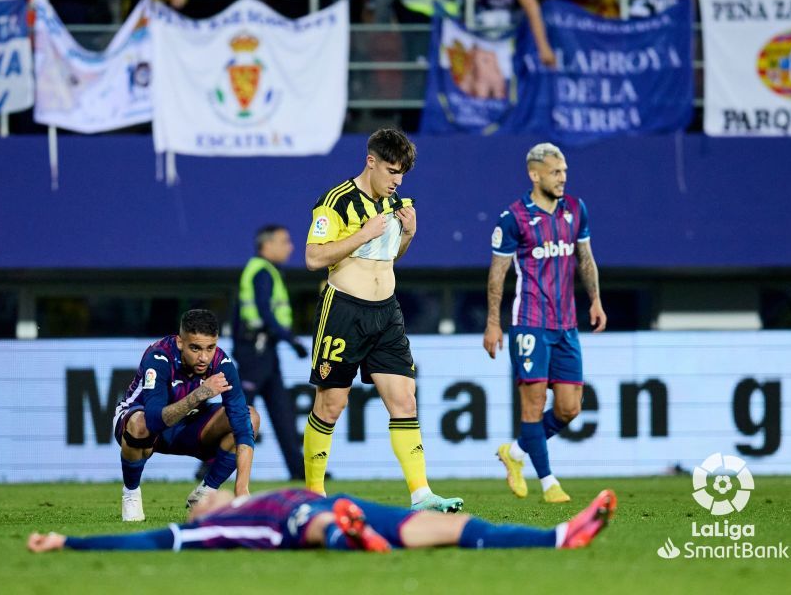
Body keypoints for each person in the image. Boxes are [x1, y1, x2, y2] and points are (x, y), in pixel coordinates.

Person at [303, 128, 462, 513]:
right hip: (344, 312)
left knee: (405, 400)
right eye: (391, 171)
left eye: (402, 174)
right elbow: (313, 258)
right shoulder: (335, 202)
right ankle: (313, 494)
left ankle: (421, 495)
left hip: (386, 313)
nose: (397, 180)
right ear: (370, 161)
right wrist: (360, 235)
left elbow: (388, 257)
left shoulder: (396, 203)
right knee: (331, 405)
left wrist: (408, 234)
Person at [483, 143, 607, 503]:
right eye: (556, 172)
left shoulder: (575, 209)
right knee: (533, 407)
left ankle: (516, 454)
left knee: (570, 408)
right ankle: (549, 482)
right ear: (535, 175)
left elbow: (586, 258)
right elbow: (497, 274)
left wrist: (596, 300)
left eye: (565, 172)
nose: (563, 178)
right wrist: (494, 323)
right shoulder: (514, 218)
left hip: (567, 325)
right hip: (530, 324)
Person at [27, 487, 617, 553]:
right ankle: (347, 536)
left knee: (453, 530)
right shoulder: (210, 529)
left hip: (350, 506)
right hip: (303, 521)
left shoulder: (234, 499)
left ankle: (558, 537)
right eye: (195, 497)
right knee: (313, 522)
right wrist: (68, 542)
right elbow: (151, 542)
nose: (199, 499)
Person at [113, 309, 259, 521]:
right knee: (139, 424)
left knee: (250, 416)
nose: (204, 357)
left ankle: (205, 492)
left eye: (210, 348)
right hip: (145, 430)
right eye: (195, 348)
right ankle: (131, 494)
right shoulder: (159, 357)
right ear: (180, 342)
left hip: (188, 428)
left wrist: (242, 489)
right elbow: (154, 421)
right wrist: (201, 393)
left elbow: (243, 427)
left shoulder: (221, 364)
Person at [232, 225, 309, 480]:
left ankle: (299, 472)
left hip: (264, 350)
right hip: (256, 350)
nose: (290, 247)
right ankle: (209, 465)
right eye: (284, 241)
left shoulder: (262, 271)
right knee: (241, 412)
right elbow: (265, 312)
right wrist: (292, 339)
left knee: (282, 412)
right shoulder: (262, 272)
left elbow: (238, 311)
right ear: (267, 245)